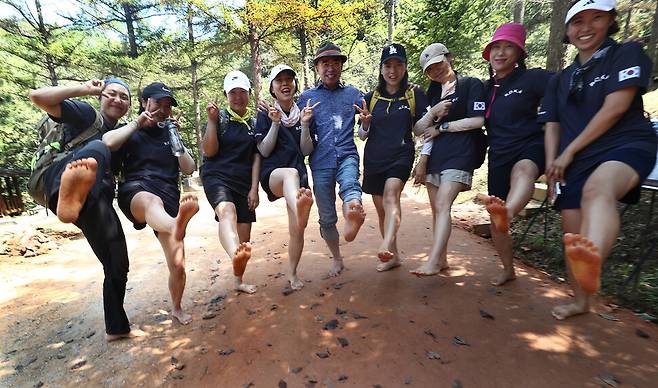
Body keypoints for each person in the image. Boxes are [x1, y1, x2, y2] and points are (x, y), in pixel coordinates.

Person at [540, 0, 657, 320]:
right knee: (571, 235)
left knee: (597, 189)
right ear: (566, 30)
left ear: (611, 21)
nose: (586, 27)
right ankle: (581, 300)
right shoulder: (560, 79)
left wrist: (568, 152)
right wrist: (552, 165)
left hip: (624, 145)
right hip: (574, 160)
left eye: (596, 18)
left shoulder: (626, 54)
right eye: (578, 22)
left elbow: (616, 108)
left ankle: (593, 263)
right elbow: (552, 124)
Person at [29, 78, 144, 341]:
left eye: (124, 97)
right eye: (111, 94)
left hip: (94, 200)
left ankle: (116, 328)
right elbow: (37, 97)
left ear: (128, 106)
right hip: (59, 179)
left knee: (117, 261)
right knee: (99, 146)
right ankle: (68, 197)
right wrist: (84, 89)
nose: (117, 99)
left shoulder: (123, 133)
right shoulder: (87, 114)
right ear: (101, 96)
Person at [102, 82, 199, 325]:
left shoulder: (170, 134)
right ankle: (175, 225)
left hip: (168, 197)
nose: (163, 110)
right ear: (145, 102)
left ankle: (176, 307)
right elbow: (107, 142)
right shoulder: (130, 131)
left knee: (178, 265)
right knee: (150, 200)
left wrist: (175, 135)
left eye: (167, 107)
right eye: (158, 103)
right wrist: (137, 124)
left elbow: (189, 168)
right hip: (136, 192)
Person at [479, 23, 554, 286]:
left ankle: (508, 213)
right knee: (493, 218)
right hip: (498, 153)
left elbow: (568, 87)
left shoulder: (534, 78)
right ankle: (508, 268)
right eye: (496, 47)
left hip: (530, 145)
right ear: (489, 54)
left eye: (508, 46)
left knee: (523, 171)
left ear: (519, 53)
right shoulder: (486, 88)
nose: (500, 53)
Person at [410, 43, 487, 276]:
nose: (436, 71)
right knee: (437, 210)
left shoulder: (470, 84)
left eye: (438, 64)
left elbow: (477, 121)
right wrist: (433, 113)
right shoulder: (431, 93)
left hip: (461, 154)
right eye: (429, 70)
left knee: (443, 204)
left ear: (448, 58)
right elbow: (419, 129)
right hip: (436, 157)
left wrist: (443, 126)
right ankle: (441, 260)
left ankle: (433, 260)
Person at [356, 43, 429, 272]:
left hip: (401, 154)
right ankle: (393, 256)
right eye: (388, 65)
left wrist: (424, 159)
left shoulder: (414, 94)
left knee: (391, 196)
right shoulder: (371, 97)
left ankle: (385, 243)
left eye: (398, 65)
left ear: (405, 67)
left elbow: (425, 128)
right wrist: (365, 124)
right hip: (375, 158)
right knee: (381, 210)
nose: (393, 70)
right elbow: (362, 135)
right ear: (381, 68)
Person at [298, 42, 366, 277]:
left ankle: (353, 214)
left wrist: (366, 123)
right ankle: (337, 258)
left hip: (347, 154)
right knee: (326, 217)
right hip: (320, 162)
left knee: (350, 185)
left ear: (341, 66)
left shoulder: (354, 94)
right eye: (325, 63)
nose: (331, 68)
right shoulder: (306, 98)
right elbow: (295, 131)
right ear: (317, 67)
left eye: (335, 63)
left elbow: (367, 123)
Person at [255, 64, 317, 290]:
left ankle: (292, 274)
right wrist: (274, 123)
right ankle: (298, 204)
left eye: (289, 80)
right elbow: (264, 151)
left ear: (294, 85)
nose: (285, 84)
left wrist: (305, 124)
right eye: (279, 80)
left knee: (297, 229)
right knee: (290, 174)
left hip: (298, 176)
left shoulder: (305, 113)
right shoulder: (265, 113)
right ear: (272, 88)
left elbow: (307, 150)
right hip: (274, 174)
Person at [202, 70, 261, 294]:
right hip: (217, 176)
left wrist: (254, 188)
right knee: (227, 213)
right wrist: (210, 121)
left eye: (242, 92)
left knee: (244, 237)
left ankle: (239, 281)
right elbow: (209, 151)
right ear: (226, 95)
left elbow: (257, 157)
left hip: (243, 182)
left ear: (249, 93)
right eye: (233, 92)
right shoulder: (218, 118)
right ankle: (233, 253)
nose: (238, 97)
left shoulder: (255, 123)